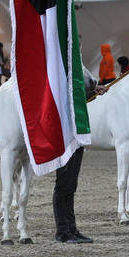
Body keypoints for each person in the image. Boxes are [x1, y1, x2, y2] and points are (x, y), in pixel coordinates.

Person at [53, 80, 108, 243]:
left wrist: (92, 92)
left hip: (77, 131)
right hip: (64, 134)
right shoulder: (58, 74)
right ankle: (62, 231)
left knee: (71, 183)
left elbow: (75, 99)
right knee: (63, 183)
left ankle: (71, 228)